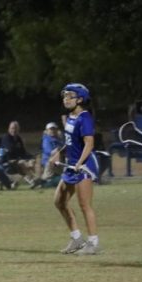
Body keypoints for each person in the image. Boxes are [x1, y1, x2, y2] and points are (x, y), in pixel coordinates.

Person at [53, 83, 101, 255]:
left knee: (84, 205)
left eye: (70, 96)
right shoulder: (70, 117)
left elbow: (89, 143)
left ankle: (93, 243)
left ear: (80, 99)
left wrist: (80, 163)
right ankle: (76, 238)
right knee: (59, 201)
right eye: (65, 96)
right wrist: (58, 153)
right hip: (71, 165)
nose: (66, 99)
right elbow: (69, 142)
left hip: (85, 165)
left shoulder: (85, 117)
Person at [0, 120, 37, 186]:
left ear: (18, 129)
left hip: (18, 160)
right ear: (9, 129)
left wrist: (31, 158)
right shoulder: (6, 137)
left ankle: (33, 180)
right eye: (12, 128)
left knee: (32, 161)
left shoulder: (18, 138)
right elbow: (10, 150)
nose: (14, 130)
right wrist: (21, 157)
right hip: (7, 161)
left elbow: (23, 152)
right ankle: (32, 180)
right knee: (23, 163)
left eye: (16, 128)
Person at [34, 122, 64, 188]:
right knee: (49, 179)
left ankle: (41, 182)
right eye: (51, 129)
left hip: (58, 163)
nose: (52, 131)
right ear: (47, 131)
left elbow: (65, 148)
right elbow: (50, 152)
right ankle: (41, 183)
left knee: (61, 178)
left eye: (54, 129)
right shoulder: (46, 139)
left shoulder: (58, 139)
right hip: (49, 163)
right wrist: (59, 149)